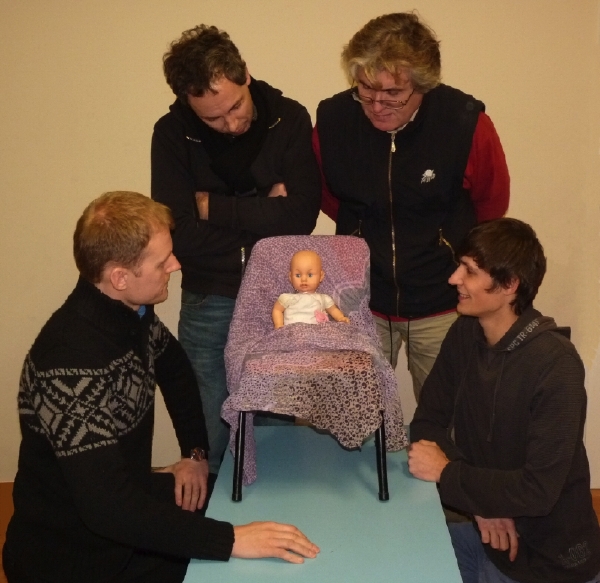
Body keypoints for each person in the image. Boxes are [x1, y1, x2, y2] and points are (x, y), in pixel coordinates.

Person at [2, 192, 320, 583]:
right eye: (162, 261)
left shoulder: (132, 314)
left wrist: (195, 454)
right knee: (242, 556)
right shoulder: (68, 362)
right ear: (120, 277)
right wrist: (230, 540)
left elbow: (175, 369)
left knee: (238, 499)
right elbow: (108, 510)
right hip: (74, 557)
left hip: (120, 507)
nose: (176, 264)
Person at [314, 12, 510, 402]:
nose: (377, 105)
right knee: (354, 415)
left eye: (393, 93)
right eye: (365, 89)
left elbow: (491, 205)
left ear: (423, 84)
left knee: (450, 416)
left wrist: (451, 256)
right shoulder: (334, 121)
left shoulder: (465, 122)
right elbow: (329, 195)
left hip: (443, 302)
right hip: (360, 303)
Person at [151, 25, 321, 475]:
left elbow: (301, 216)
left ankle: (273, 509)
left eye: (235, 107)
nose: (230, 124)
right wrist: (267, 208)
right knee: (209, 427)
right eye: (212, 119)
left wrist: (213, 207)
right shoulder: (171, 134)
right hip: (209, 296)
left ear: (245, 74)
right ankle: (212, 510)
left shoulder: (288, 117)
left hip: (278, 295)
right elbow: (181, 234)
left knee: (274, 429)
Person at [408, 218, 600, 583]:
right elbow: (427, 424)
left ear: (509, 285)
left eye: (469, 271)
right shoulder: (465, 333)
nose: (454, 278)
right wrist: (481, 505)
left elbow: (538, 492)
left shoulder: (556, 365)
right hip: (488, 537)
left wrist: (448, 473)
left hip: (549, 565)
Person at [272, 249, 350, 328]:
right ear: (290, 277)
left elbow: (333, 310)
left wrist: (340, 318)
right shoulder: (287, 298)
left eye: (310, 275)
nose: (303, 279)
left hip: (316, 332)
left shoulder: (323, 298)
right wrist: (279, 325)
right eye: (298, 275)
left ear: (321, 276)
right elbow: (277, 310)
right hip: (293, 331)